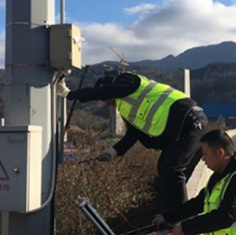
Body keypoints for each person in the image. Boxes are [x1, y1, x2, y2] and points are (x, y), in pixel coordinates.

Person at [57, 70, 208, 209]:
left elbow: (107, 91)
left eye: (104, 98)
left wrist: (69, 94)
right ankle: (170, 214)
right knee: (164, 168)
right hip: (179, 127)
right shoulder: (126, 108)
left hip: (188, 119)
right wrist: (113, 151)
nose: (105, 103)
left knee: (172, 169)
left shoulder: (129, 81)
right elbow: (132, 135)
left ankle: (178, 217)